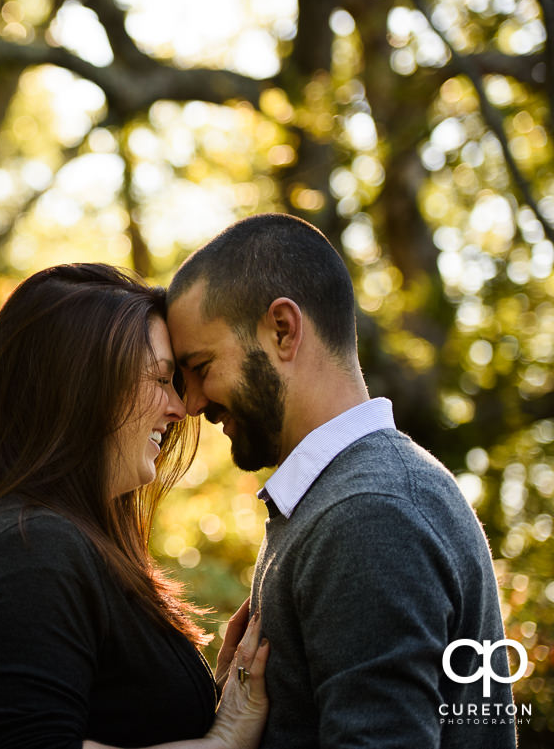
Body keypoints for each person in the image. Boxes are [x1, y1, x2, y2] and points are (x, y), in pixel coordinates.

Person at [166, 213, 517, 749]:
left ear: (283, 330)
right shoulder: (349, 498)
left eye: (202, 365)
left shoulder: (371, 513)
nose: (191, 404)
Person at [0, 263, 270, 749]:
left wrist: (209, 699)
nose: (180, 408)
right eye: (160, 378)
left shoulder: (62, 541)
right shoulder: (31, 549)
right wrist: (226, 741)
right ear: (82, 387)